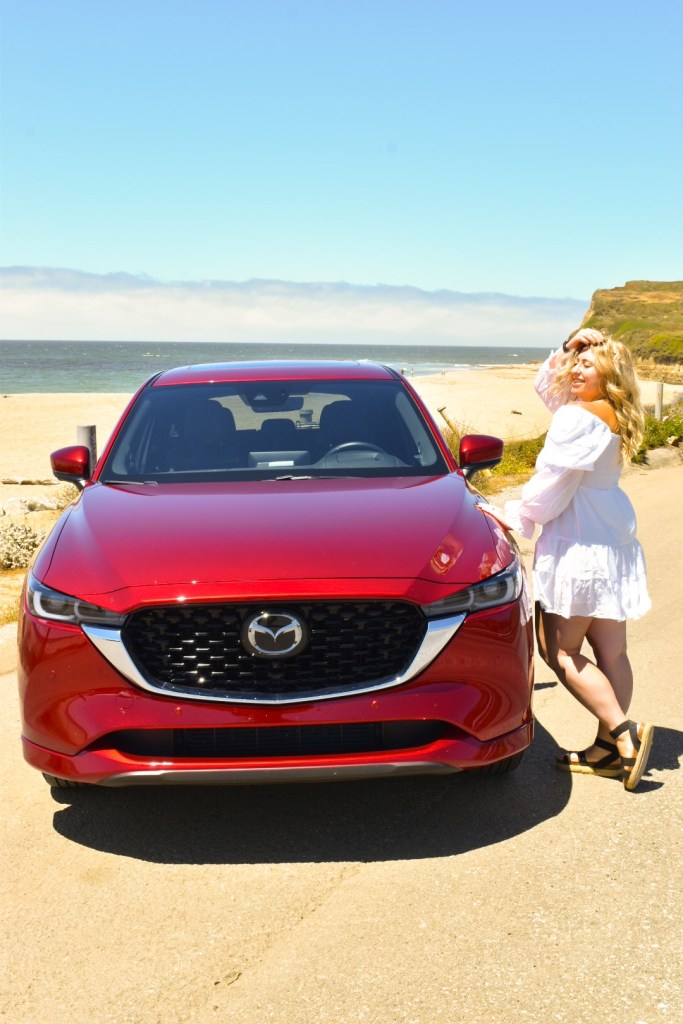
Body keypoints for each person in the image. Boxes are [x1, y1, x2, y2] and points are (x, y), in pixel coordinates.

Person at [502, 327, 654, 791]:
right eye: (575, 363)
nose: (574, 370)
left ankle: (624, 733)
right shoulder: (610, 412)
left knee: (559, 651)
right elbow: (550, 387)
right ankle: (607, 750)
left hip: (579, 538)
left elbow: (552, 486)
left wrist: (515, 515)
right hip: (610, 534)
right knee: (612, 651)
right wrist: (573, 347)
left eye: (587, 366)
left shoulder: (576, 417)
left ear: (607, 376)